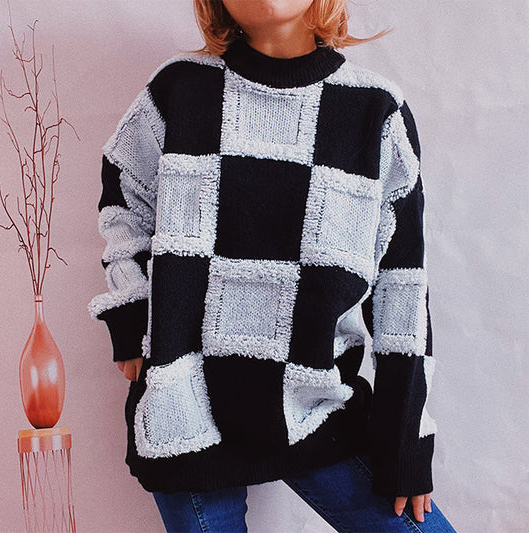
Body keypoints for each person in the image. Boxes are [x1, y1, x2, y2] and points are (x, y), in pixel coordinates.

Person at [87, 0, 457, 531]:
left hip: (315, 401)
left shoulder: (375, 110)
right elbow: (125, 201)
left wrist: (406, 443)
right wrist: (129, 319)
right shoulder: (179, 89)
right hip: (185, 404)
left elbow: (402, 288)